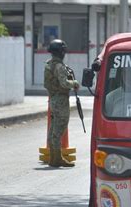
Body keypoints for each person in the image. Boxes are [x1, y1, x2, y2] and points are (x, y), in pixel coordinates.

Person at [43, 39, 80, 167]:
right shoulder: (59, 67)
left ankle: (53, 157)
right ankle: (57, 158)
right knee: (59, 130)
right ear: (61, 52)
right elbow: (64, 83)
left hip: (53, 99)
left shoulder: (48, 64)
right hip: (61, 100)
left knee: (53, 128)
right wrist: (74, 83)